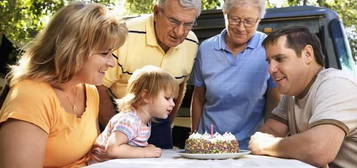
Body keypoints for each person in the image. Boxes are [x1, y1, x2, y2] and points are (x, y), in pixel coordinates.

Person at [0, 2, 127, 167]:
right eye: (104, 53)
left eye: (112, 53)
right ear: (72, 50)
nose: (112, 63)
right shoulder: (31, 97)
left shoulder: (89, 91)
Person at [98, 0, 201, 149]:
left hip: (158, 119)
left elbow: (179, 84)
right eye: (173, 21)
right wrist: (117, 128)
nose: (179, 32)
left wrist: (167, 122)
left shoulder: (192, 42)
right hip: (118, 114)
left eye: (188, 24)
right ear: (157, 12)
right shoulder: (125, 35)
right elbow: (97, 86)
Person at [248, 26, 357, 168]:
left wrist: (267, 145)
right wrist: (266, 142)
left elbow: (319, 149)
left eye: (280, 58)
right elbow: (270, 131)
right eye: (269, 61)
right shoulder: (292, 94)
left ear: (307, 54)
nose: (271, 69)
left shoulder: (337, 84)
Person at [190, 0, 280, 149]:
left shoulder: (268, 48)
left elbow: (274, 98)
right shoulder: (206, 49)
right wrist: (195, 137)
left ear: (259, 20)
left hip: (250, 146)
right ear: (225, 14)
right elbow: (198, 97)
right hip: (209, 143)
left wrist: (268, 139)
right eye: (235, 19)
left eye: (248, 21)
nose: (241, 27)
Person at [90, 66, 178, 162]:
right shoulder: (129, 120)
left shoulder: (144, 122)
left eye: (173, 99)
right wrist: (144, 152)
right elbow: (113, 149)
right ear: (145, 96)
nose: (173, 104)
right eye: (167, 98)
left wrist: (145, 148)